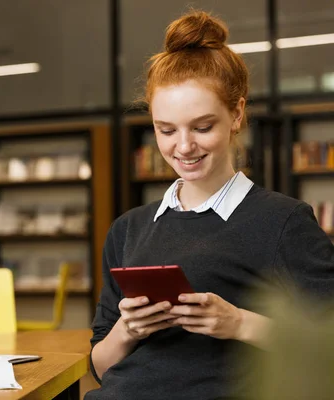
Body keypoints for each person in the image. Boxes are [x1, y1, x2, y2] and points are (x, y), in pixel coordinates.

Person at [86, 10, 334, 400]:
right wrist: (127, 330)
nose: (183, 147)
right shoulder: (128, 228)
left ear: (236, 114)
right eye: (166, 130)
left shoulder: (282, 221)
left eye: (202, 127)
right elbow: (101, 367)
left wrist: (238, 323)